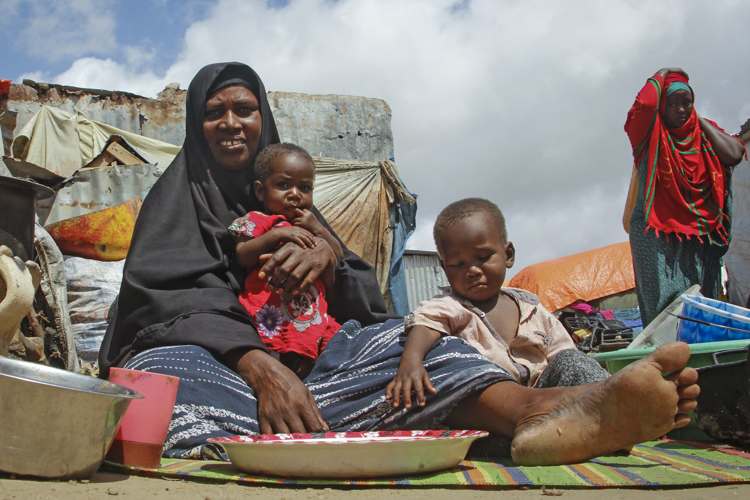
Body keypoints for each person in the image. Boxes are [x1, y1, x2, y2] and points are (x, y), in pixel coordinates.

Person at [99, 62, 699, 466]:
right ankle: (413, 429)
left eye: (245, 109)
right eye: (215, 111)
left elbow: (366, 301)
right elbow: (164, 302)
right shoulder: (174, 204)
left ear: (265, 121)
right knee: (158, 375)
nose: (231, 123)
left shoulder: (299, 206)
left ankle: (538, 414)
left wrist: (329, 260)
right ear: (197, 123)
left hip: (316, 367)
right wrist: (260, 368)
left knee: (409, 345)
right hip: (231, 371)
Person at [387, 198, 607, 413]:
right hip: (493, 406)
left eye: (483, 257)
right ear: (444, 268)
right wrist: (411, 362)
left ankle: (609, 407)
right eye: (458, 264)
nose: (472, 270)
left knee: (573, 361)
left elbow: (562, 353)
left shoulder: (532, 309)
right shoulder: (451, 307)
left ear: (508, 255)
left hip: (547, 398)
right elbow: (425, 325)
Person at [625, 68, 745, 326]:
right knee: (666, 314)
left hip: (701, 235)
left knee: (704, 308)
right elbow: (645, 104)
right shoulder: (649, 135)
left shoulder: (705, 135)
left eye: (687, 103)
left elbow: (735, 153)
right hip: (659, 235)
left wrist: (697, 119)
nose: (681, 109)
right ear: (661, 107)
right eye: (672, 104)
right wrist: (664, 73)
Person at [228, 143, 344, 379]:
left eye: (305, 188)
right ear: (261, 191)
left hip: (310, 317)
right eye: (283, 185)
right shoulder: (260, 220)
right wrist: (278, 235)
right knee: (277, 364)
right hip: (270, 315)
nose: (295, 194)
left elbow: (339, 256)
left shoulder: (313, 227)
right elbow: (242, 254)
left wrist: (317, 230)